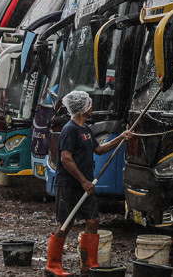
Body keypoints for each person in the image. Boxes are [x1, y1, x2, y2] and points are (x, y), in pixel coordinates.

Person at [44, 90, 133, 276]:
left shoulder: (85, 129)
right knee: (65, 224)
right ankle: (52, 265)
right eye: (90, 104)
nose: (92, 107)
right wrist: (83, 181)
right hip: (69, 185)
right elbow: (66, 159)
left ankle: (88, 265)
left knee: (93, 221)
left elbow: (99, 149)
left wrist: (120, 138)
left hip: (85, 185)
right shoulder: (70, 130)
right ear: (83, 108)